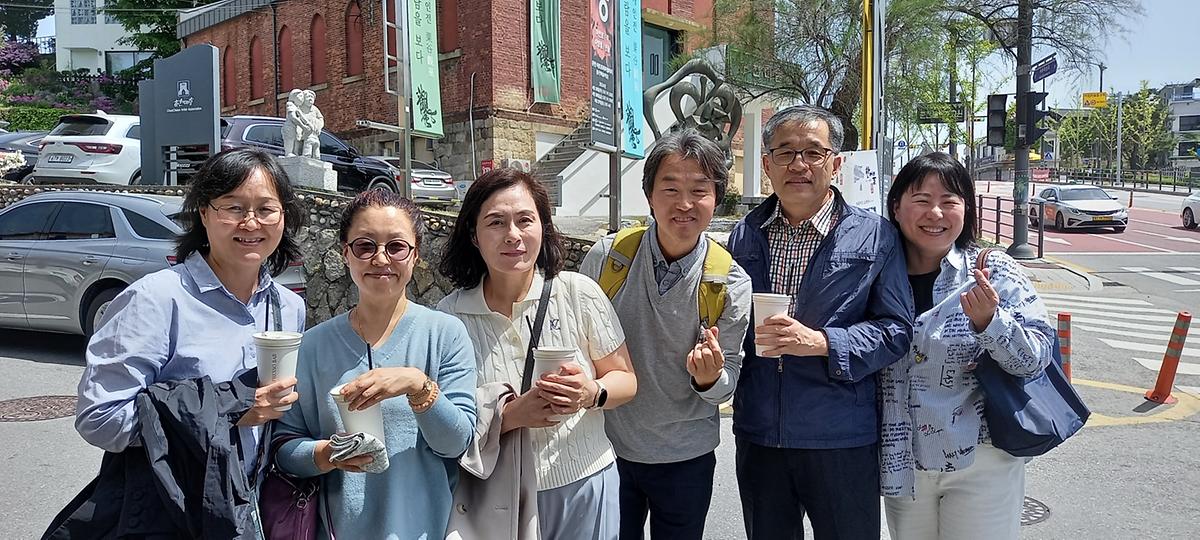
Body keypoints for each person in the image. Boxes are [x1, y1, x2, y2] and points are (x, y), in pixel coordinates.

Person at [69, 148, 307, 535]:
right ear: (204, 212)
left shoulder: (288, 307)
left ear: (284, 216)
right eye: (233, 207)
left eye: (266, 209)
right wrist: (229, 411)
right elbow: (101, 419)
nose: (251, 222)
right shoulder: (156, 300)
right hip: (174, 513)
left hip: (250, 513)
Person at [725, 104, 914, 540]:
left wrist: (823, 342)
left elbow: (897, 330)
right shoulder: (745, 233)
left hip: (840, 436)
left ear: (836, 163)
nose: (799, 165)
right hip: (760, 433)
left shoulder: (875, 235)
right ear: (767, 165)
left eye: (813, 152)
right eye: (785, 152)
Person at [437, 168, 637, 540]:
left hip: (584, 482)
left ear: (543, 227)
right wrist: (510, 416)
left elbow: (625, 379)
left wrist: (591, 392)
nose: (513, 234)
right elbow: (443, 423)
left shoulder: (578, 293)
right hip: (497, 494)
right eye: (496, 222)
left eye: (525, 220)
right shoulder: (449, 318)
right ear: (473, 235)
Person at [272, 189, 477, 538]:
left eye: (396, 247)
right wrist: (327, 454)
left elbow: (457, 443)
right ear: (345, 254)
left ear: (415, 255)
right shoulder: (313, 345)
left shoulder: (446, 334)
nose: (381, 259)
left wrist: (419, 386)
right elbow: (284, 447)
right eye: (365, 246)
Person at [579, 129, 751, 540]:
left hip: (686, 458)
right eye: (670, 188)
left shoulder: (729, 282)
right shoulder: (609, 258)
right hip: (605, 449)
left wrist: (708, 377)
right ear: (649, 196)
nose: (684, 203)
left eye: (699, 190)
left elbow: (726, 384)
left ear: (716, 198)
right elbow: (576, 344)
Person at [879, 152, 1055, 539]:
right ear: (896, 207)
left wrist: (991, 323)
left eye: (949, 201)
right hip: (903, 460)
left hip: (981, 460)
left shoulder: (993, 271)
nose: (935, 213)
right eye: (922, 200)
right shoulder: (874, 274)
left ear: (967, 209)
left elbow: (1036, 358)